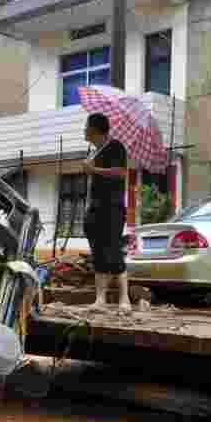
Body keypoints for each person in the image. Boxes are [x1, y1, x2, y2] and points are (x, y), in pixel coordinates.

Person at [81, 113, 131, 312]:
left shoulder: (115, 147)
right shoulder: (94, 152)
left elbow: (121, 172)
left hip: (112, 209)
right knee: (98, 254)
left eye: (86, 127)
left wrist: (95, 170)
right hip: (94, 209)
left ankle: (124, 299)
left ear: (95, 129)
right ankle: (100, 300)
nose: (84, 131)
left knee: (113, 251)